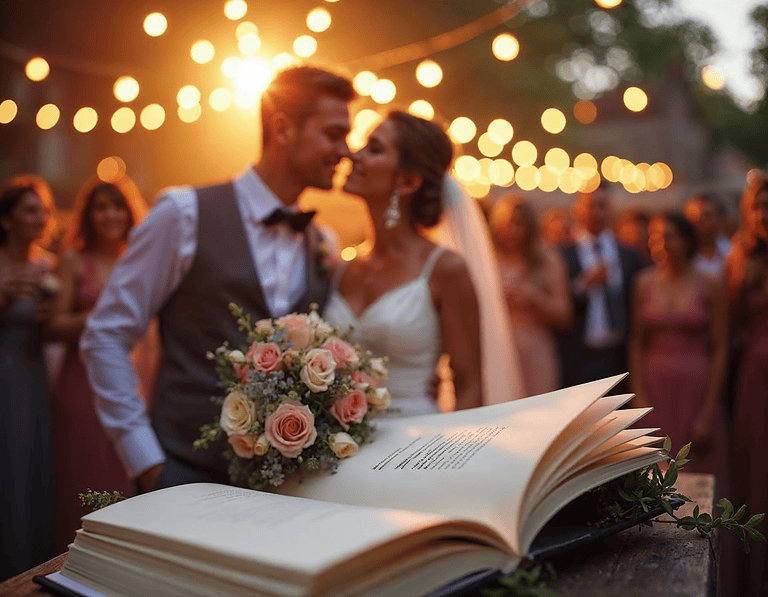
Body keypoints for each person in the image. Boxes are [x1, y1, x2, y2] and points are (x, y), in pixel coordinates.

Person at [80, 66, 356, 493]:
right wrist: (147, 462)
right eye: (334, 134)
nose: (346, 150)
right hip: (180, 472)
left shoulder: (322, 242)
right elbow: (105, 335)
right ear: (283, 129)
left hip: (284, 486)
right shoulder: (182, 212)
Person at [324, 111, 521, 414]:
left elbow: (469, 387)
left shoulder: (445, 269)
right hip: (338, 445)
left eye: (374, 149)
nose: (353, 155)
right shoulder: (340, 267)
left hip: (416, 440)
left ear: (408, 181)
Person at [46, 175, 155, 554]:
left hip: (130, 379)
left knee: (121, 473)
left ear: (129, 212)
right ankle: (71, 562)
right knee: (80, 474)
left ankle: (117, 559)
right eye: (101, 207)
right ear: (88, 215)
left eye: (117, 206)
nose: (110, 215)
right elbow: (53, 326)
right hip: (81, 386)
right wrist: (99, 318)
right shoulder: (75, 261)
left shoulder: (139, 261)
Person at [629, 212, 729, 481]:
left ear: (686, 240)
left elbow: (720, 348)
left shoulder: (710, 283)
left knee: (697, 468)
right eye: (654, 238)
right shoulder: (643, 282)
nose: (660, 244)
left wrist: (709, 409)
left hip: (696, 388)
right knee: (654, 472)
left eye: (668, 237)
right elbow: (637, 343)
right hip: (654, 387)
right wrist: (639, 395)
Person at [0, 175, 57, 579]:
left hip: (35, 376)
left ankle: (31, 560)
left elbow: (57, 329)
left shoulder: (49, 267)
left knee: (32, 466)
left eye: (44, 210)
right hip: (3, 375)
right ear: (7, 220)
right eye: (30, 210)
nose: (40, 218)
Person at [725, 175, 768, 597]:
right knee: (756, 473)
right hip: (756, 376)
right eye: (758, 207)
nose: (764, 215)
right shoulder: (739, 257)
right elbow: (726, 328)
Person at [558, 184, 645, 391]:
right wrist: (583, 284)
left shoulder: (628, 254)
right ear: (577, 209)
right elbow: (557, 302)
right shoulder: (561, 254)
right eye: (590, 206)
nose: (596, 212)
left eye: (602, 205)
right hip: (577, 357)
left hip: (618, 358)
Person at [490, 195, 572, 395]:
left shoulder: (548, 259)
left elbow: (564, 316)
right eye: (506, 224)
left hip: (536, 353)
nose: (512, 231)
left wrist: (532, 297)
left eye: (519, 224)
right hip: (498, 354)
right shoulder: (488, 260)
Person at [685, 193, 731, 278]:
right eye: (693, 217)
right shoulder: (683, 258)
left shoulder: (732, 252)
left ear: (720, 218)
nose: (701, 222)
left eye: (707, 216)